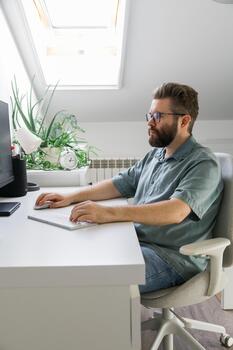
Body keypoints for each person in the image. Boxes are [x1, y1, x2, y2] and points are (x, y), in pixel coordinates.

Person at [35, 82, 223, 294]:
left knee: (93, 282)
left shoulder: (203, 163)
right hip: (139, 241)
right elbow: (119, 184)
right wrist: (70, 196)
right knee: (81, 255)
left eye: (158, 117)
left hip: (172, 258)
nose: (150, 123)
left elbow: (176, 211)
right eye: (149, 116)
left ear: (184, 121)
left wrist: (108, 213)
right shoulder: (156, 155)